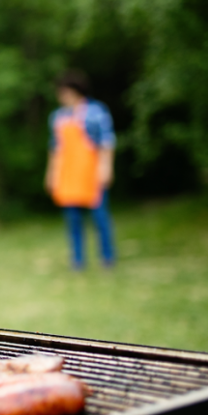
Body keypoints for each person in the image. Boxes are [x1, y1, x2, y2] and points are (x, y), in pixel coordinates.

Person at [44, 69, 116, 270]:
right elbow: (55, 149)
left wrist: (106, 168)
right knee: (73, 221)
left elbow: (107, 143)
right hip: (68, 174)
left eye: (63, 91)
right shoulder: (57, 117)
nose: (61, 96)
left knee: (100, 218)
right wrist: (52, 174)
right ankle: (77, 261)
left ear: (74, 91)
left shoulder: (96, 112)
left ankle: (107, 258)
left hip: (91, 172)